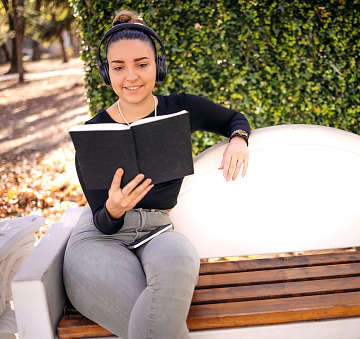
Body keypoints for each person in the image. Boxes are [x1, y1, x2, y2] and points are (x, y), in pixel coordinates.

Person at [63, 9, 250, 339]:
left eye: (142, 64)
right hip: (101, 240)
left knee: (180, 262)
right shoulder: (93, 132)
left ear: (158, 66)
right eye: (119, 67)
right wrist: (115, 208)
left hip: (158, 232)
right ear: (107, 73)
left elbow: (234, 118)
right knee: (156, 324)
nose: (131, 76)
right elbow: (101, 222)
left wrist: (238, 140)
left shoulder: (181, 108)